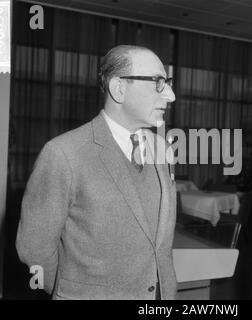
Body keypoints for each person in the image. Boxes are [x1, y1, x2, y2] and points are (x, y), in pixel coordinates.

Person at [16, 45, 177, 300]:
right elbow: (34, 248)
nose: (170, 95)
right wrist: (73, 290)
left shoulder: (163, 150)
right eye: (158, 82)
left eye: (167, 82)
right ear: (119, 88)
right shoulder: (63, 153)